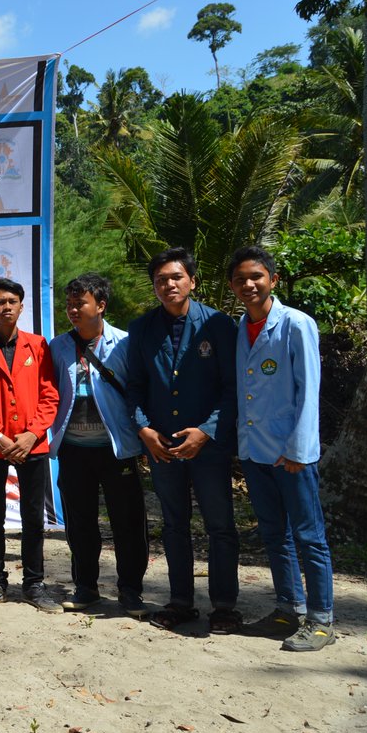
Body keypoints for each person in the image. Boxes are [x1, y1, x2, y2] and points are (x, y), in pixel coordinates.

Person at [125, 247, 239, 634]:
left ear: (192, 280)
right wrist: (144, 430)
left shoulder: (220, 325)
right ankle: (181, 601)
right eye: (161, 280)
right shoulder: (141, 329)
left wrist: (206, 431)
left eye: (176, 277)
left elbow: (232, 388)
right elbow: (134, 387)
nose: (169, 284)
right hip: (162, 447)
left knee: (220, 524)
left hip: (208, 446)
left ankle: (224, 605)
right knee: (174, 525)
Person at [229, 246, 334, 651]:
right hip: (255, 451)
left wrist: (300, 449)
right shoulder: (239, 328)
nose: (249, 285)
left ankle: (322, 619)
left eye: (256, 276)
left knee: (309, 535)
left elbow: (309, 391)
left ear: (272, 279)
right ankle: (287, 608)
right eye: (240, 279)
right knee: (274, 533)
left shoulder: (296, 324)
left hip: (290, 455)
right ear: (232, 286)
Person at [48, 273, 149, 617]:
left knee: (128, 521)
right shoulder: (58, 345)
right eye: (69, 304)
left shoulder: (125, 343)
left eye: (81, 303)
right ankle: (86, 587)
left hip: (116, 448)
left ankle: (130, 590)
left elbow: (138, 391)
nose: (73, 310)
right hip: (73, 449)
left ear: (101, 305)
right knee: (80, 523)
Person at [0, 278, 61, 613]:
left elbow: (50, 395)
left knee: (33, 517)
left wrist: (33, 434)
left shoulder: (38, 345)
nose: (6, 307)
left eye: (12, 301)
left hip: (32, 445)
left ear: (21, 306)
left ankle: (34, 583)